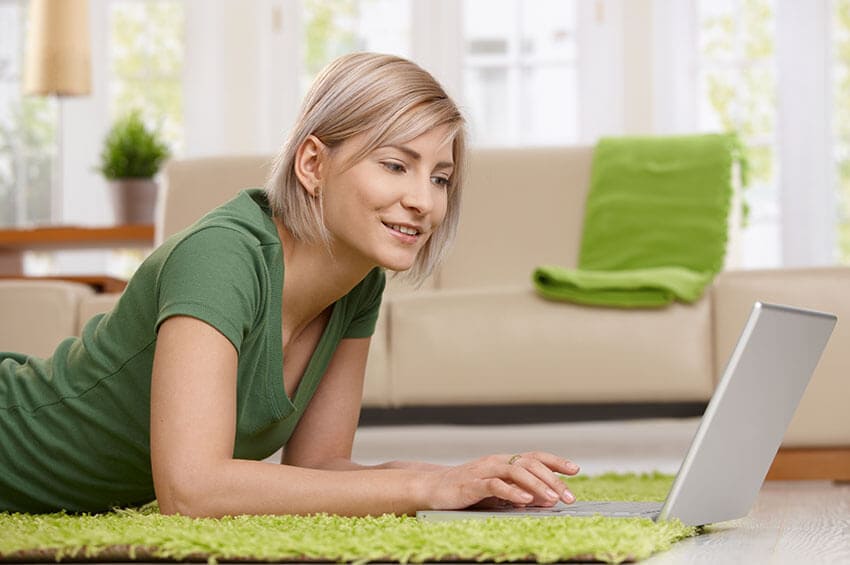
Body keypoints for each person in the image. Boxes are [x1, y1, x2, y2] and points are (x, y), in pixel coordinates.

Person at [0, 52, 579, 517]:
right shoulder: (222, 255)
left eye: (441, 177)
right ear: (311, 164)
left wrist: (459, 479)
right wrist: (423, 492)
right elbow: (191, 490)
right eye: (396, 165)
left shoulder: (358, 285)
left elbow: (321, 467)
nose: (423, 201)